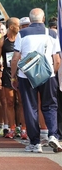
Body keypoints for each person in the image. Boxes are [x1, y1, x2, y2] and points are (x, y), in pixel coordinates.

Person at [11, 8, 62, 153]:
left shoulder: (22, 33)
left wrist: (13, 76)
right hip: (48, 75)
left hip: (26, 75)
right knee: (50, 105)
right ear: (43, 18)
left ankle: (35, 142)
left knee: (30, 107)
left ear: (29, 19)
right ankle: (53, 135)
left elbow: (15, 58)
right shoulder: (51, 33)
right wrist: (51, 72)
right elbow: (57, 59)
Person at [0, 17, 27, 139]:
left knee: (22, 102)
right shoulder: (2, 41)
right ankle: (12, 127)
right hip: (8, 74)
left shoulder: (23, 39)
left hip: (21, 73)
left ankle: (24, 128)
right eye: (18, 25)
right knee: (9, 102)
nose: (21, 27)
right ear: (12, 27)